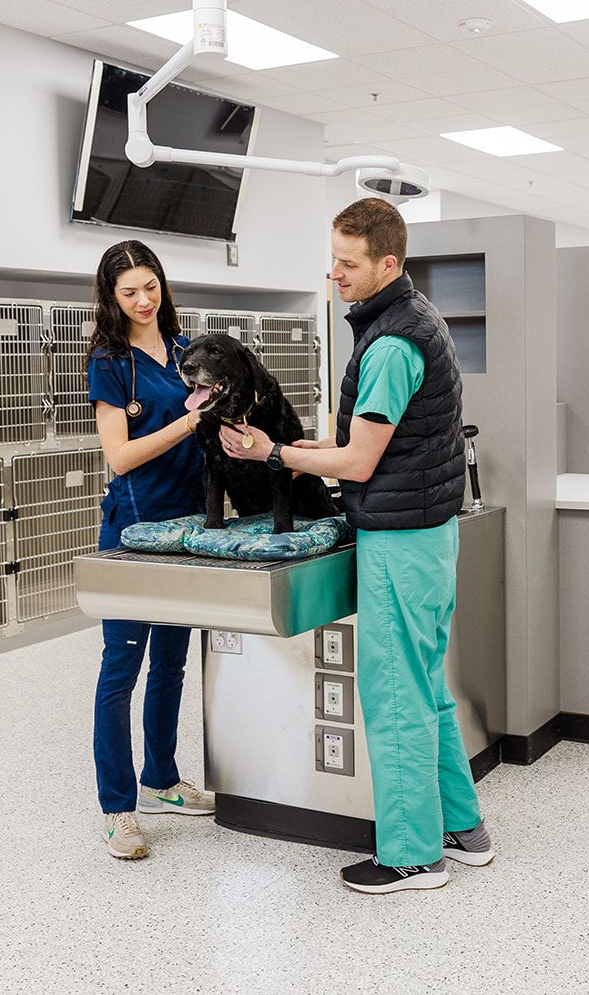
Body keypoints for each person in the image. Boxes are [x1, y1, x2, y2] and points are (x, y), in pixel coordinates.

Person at [218, 197, 491, 895]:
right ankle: (461, 826)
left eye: (347, 262)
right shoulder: (411, 319)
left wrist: (274, 452)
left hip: (402, 542)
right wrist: (319, 449)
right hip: (427, 535)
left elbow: (363, 463)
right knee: (425, 685)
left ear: (387, 264)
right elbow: (374, 445)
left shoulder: (394, 342)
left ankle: (411, 856)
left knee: (394, 692)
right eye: (333, 257)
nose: (333, 272)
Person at [84, 239, 212, 860]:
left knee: (171, 664)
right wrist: (191, 422)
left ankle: (161, 777)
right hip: (135, 533)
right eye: (129, 291)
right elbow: (120, 456)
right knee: (121, 671)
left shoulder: (188, 352)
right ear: (111, 297)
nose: (143, 300)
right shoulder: (110, 362)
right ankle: (118, 809)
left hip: (190, 528)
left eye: (151, 286)